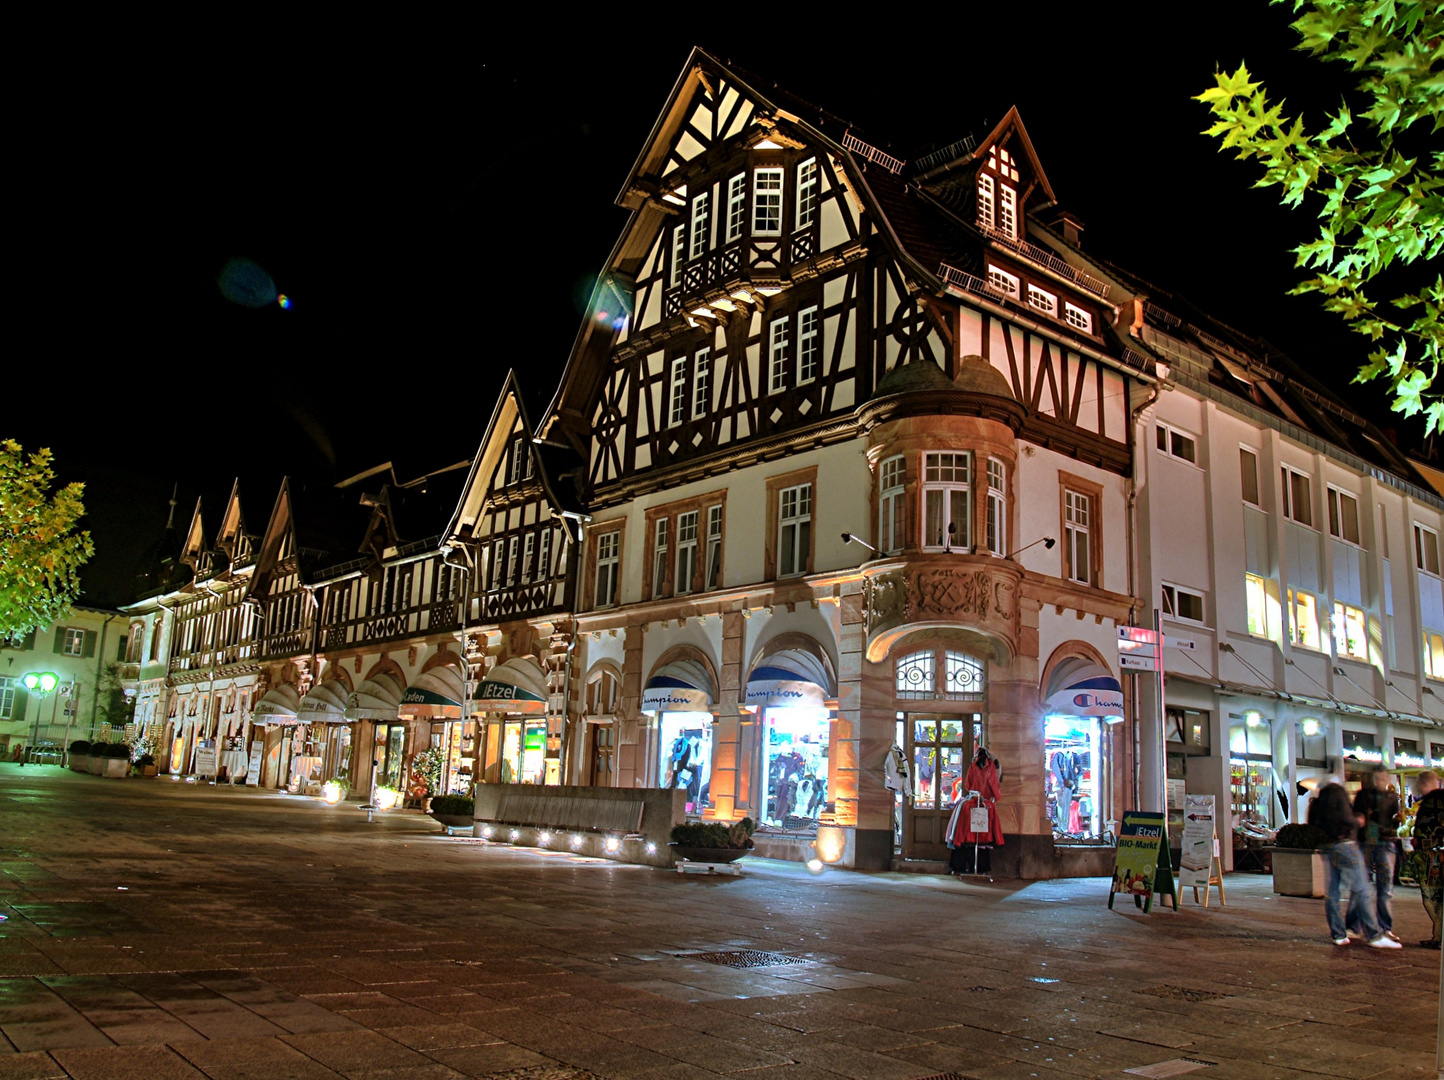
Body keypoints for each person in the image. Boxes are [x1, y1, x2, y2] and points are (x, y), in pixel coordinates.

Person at [1306, 778, 1400, 948]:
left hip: (1328, 847)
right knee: (1363, 888)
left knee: (1332, 892)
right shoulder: (1338, 798)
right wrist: (1357, 821)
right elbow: (1348, 820)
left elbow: (1312, 826)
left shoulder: (1316, 805)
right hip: (1346, 846)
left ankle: (1338, 934)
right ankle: (1374, 934)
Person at [1353, 766, 1402, 942]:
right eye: (1376, 778)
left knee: (1384, 888)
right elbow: (1357, 815)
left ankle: (1385, 927)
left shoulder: (1391, 798)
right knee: (1362, 885)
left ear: (1387, 778)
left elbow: (1393, 820)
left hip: (1384, 842)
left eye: (1382, 778)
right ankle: (1355, 925)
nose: (1379, 781)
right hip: (1366, 841)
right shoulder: (1364, 795)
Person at [1413, 771, 1444, 949]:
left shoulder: (1429, 803)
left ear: (1423, 784)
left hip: (1432, 858)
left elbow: (1421, 835)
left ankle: (1439, 936)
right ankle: (1438, 936)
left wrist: (1417, 842)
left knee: (1431, 898)